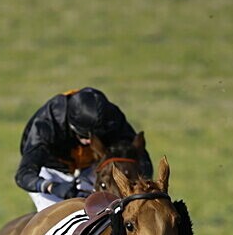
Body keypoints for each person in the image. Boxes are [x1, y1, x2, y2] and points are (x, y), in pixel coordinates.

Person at [15, 87, 153, 211]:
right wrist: (51, 186)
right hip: (51, 171)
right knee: (55, 215)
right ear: (71, 125)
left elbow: (139, 158)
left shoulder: (112, 118)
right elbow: (24, 175)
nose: (89, 142)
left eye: (96, 137)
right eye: (83, 136)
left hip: (91, 167)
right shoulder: (48, 124)